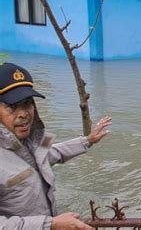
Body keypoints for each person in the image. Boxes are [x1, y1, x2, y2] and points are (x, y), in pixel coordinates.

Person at [0, 62, 112, 230]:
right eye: (12, 107)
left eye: (27, 104)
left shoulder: (33, 140)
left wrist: (87, 140)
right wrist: (50, 224)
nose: (23, 114)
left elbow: (52, 153)